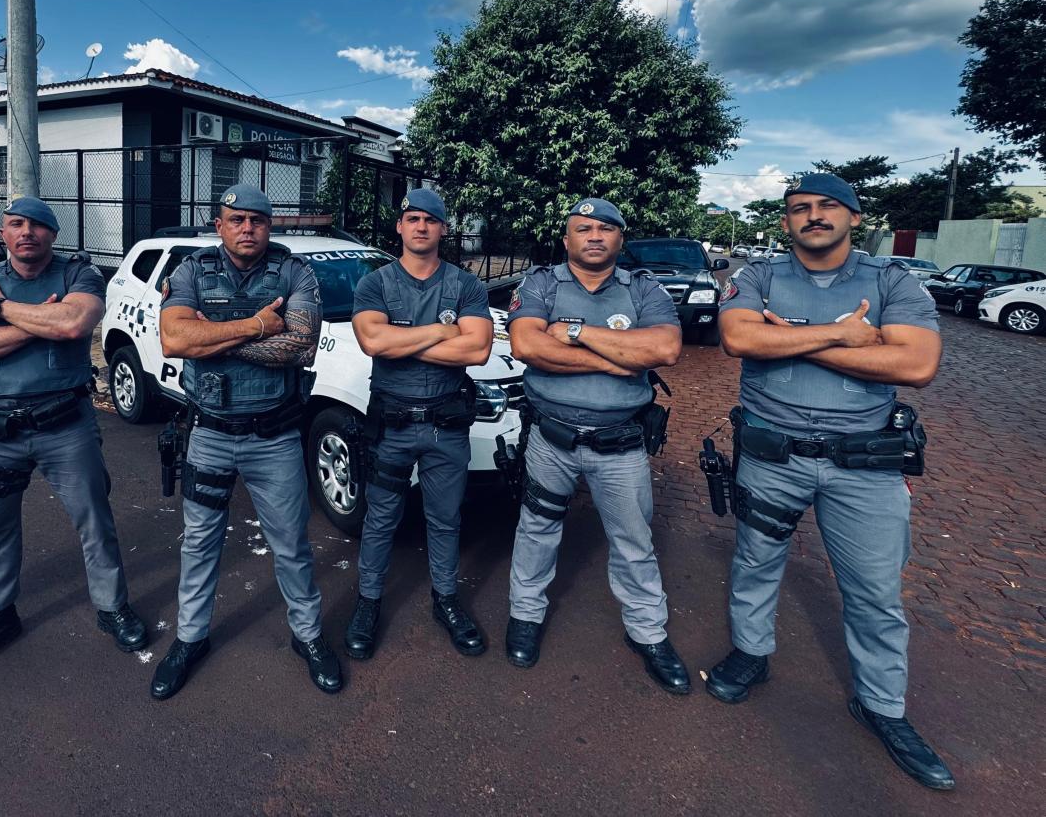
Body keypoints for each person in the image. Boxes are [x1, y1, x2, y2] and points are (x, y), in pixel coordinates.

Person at [706, 173, 954, 791]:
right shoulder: (760, 275)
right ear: (785, 221)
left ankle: (882, 706)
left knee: (874, 590)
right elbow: (737, 337)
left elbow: (915, 363)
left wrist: (786, 339)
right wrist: (846, 335)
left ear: (852, 215)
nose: (812, 216)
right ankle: (750, 654)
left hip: (864, 466)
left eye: (826, 207)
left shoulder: (892, 280)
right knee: (755, 562)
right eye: (799, 209)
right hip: (772, 454)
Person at [0, 196, 147, 675]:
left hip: (65, 426)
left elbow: (75, 320)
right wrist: (40, 326)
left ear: (53, 234)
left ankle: (112, 607)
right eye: (16, 224)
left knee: (95, 522)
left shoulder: (79, 275)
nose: (26, 232)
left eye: (37, 225)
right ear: (2, 233)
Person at [150, 184, 340, 699]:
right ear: (219, 225)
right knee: (200, 543)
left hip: (274, 438)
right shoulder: (190, 271)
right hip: (209, 434)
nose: (247, 228)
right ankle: (190, 639)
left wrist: (213, 338)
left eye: (257, 220)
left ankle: (309, 636)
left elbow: (298, 345)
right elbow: (175, 340)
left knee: (292, 545)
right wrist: (257, 324)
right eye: (236, 220)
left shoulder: (295, 272)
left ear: (269, 226)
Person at [503, 198, 690, 693]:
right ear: (566, 239)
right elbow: (527, 346)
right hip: (551, 437)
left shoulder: (644, 289)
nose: (593, 236)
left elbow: (666, 350)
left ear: (619, 240)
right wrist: (618, 360)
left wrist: (576, 333)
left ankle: (648, 633)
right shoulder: (541, 284)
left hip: (622, 444)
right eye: (582, 228)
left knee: (633, 541)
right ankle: (525, 615)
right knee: (536, 530)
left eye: (605, 229)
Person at [344, 188, 493, 660]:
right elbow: (371, 341)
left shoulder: (465, 285)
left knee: (445, 519)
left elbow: (478, 350)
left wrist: (400, 340)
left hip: (446, 428)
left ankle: (445, 600)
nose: (421, 226)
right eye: (412, 218)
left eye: (431, 219)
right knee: (380, 518)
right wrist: (441, 331)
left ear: (443, 228)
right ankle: (367, 602)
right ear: (400, 226)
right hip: (391, 426)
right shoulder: (376, 284)